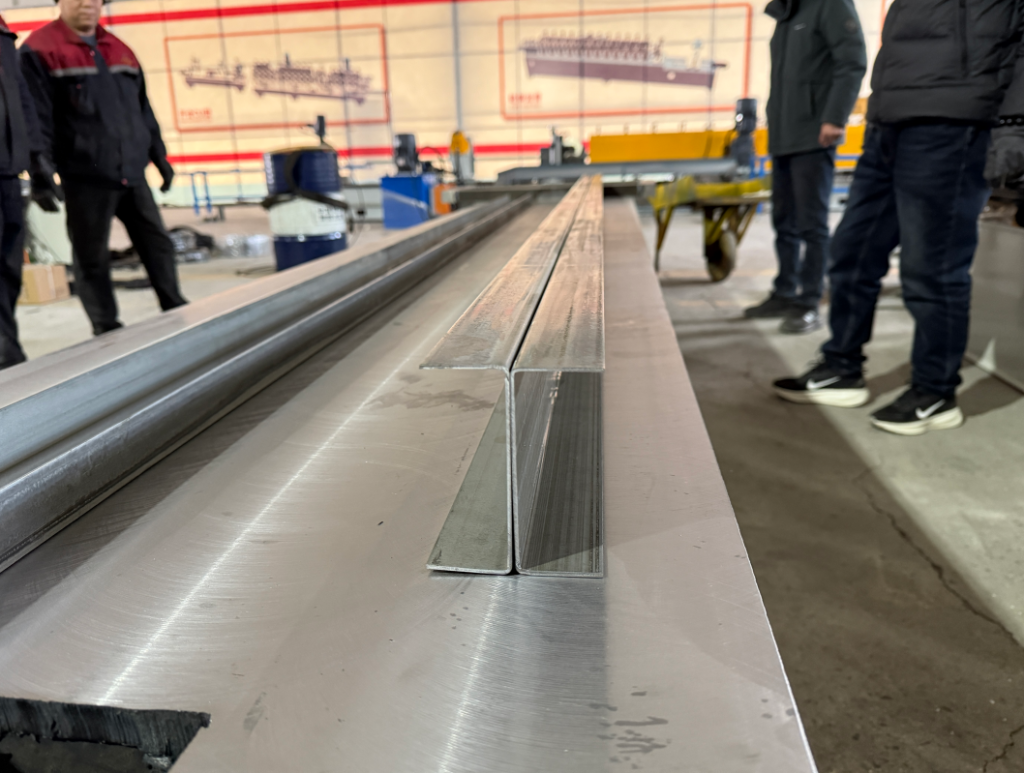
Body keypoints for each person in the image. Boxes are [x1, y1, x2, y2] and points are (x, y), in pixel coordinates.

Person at [773, 0, 1024, 435]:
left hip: (956, 118)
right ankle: (841, 366)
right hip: (890, 118)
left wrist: (1015, 123)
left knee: (931, 267)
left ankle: (934, 392)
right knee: (852, 252)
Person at [20, 0, 186, 337]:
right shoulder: (40, 49)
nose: (87, 3)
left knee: (158, 245)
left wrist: (159, 155)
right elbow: (35, 117)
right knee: (91, 257)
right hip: (85, 176)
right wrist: (40, 171)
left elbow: (143, 108)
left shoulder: (119, 49)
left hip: (132, 172)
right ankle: (106, 328)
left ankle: (176, 306)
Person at [744, 0, 866, 334]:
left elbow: (852, 62)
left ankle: (809, 301)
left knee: (811, 224)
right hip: (784, 134)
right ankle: (785, 291)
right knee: (784, 221)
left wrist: (834, 117)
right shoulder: (787, 12)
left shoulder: (829, 5)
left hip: (814, 134)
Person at [0, 14, 61, 370]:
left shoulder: (3, 31)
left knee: (9, 266)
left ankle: (7, 348)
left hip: (9, 171)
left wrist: (38, 161)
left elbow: (22, 99)